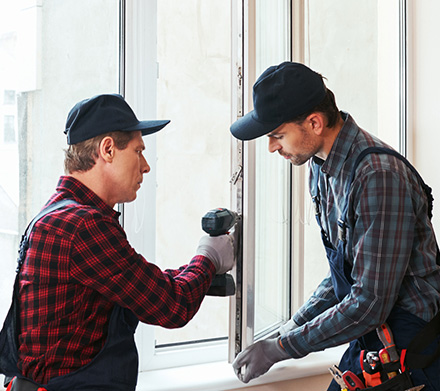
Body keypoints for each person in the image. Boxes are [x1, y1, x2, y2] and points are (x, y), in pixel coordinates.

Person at [0, 94, 235, 391]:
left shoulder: (57, 215)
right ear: (108, 149)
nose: (146, 166)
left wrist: (199, 272)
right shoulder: (84, 226)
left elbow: (143, 286)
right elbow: (172, 305)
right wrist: (209, 257)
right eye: (138, 151)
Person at [230, 62, 440, 390]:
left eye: (277, 135)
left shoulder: (377, 176)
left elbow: (369, 302)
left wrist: (280, 349)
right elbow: (344, 272)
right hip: (374, 336)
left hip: (414, 347)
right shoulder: (321, 168)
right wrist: (290, 328)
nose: (272, 147)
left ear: (314, 122)